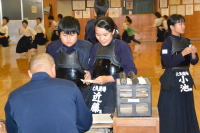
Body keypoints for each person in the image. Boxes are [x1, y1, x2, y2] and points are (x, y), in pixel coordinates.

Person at [4, 53, 92, 133]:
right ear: (53, 68)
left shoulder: (14, 96)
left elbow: (12, 130)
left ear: (30, 74)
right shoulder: (70, 87)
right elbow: (85, 123)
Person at [84, 17, 137, 114]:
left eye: (105, 35)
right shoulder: (95, 47)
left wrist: (109, 78)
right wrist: (88, 74)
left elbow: (130, 71)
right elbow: (91, 67)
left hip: (116, 90)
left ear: (113, 32)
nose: (101, 38)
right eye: (98, 35)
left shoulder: (121, 46)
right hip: (97, 90)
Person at [158, 14, 199, 133]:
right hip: (172, 80)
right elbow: (167, 63)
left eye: (184, 23)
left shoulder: (186, 41)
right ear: (171, 26)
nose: (183, 26)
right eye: (180, 23)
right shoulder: (167, 43)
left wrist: (193, 54)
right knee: (173, 109)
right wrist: (183, 54)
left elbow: (194, 62)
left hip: (185, 79)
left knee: (186, 107)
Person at [46, 16, 92, 100]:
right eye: (64, 35)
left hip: (83, 90)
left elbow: (93, 66)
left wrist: (90, 74)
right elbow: (46, 69)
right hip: (59, 89)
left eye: (72, 35)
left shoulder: (87, 47)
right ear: (59, 34)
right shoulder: (52, 47)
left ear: (78, 34)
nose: (68, 39)